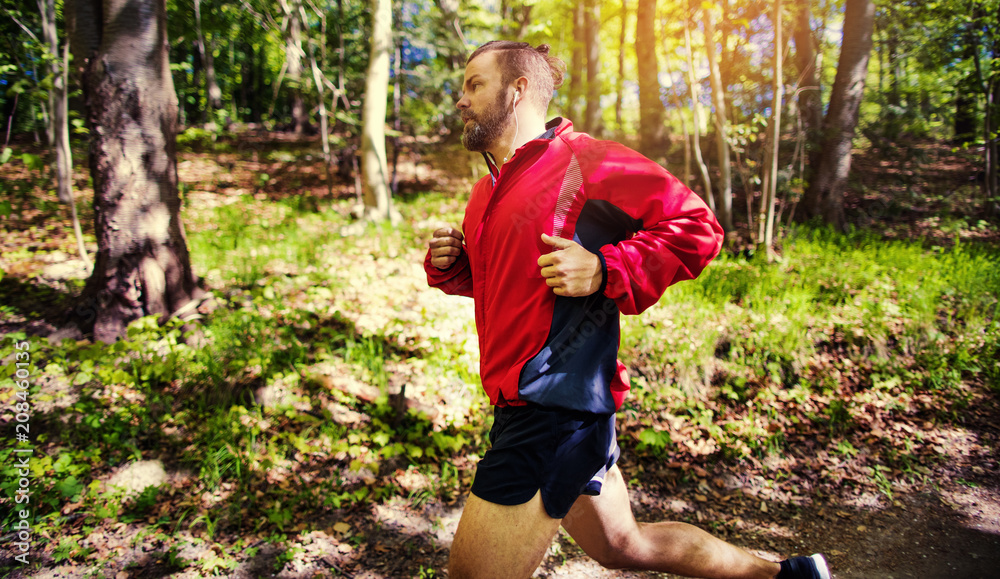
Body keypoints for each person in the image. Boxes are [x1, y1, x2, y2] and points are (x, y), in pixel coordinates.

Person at [424, 40, 830, 579]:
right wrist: (456, 268)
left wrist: (605, 269)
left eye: (475, 83)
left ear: (518, 90)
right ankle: (792, 575)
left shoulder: (586, 161)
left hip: (554, 404)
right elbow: (515, 287)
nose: (461, 99)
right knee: (625, 545)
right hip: (523, 398)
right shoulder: (485, 193)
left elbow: (697, 229)